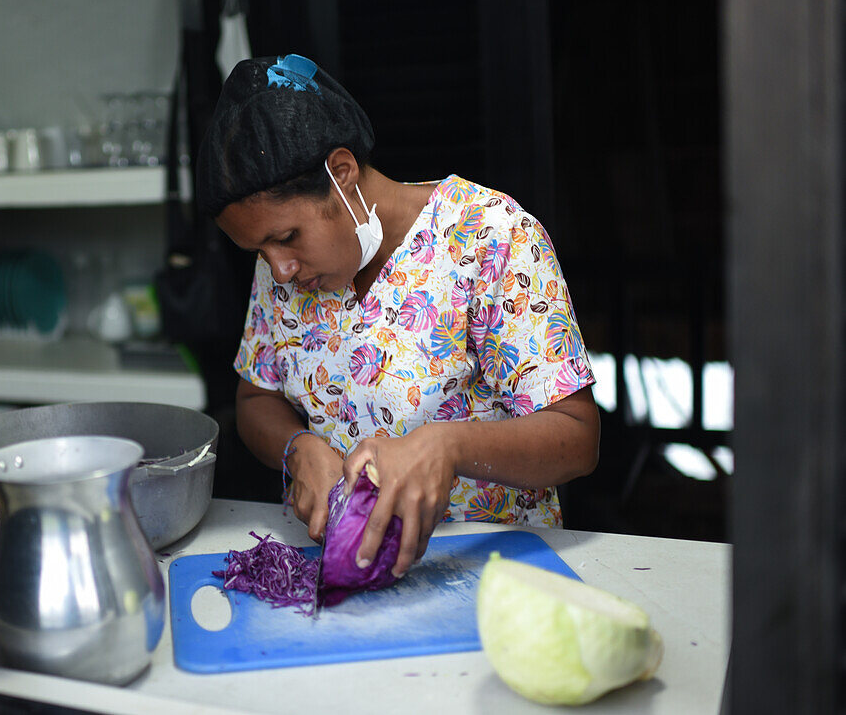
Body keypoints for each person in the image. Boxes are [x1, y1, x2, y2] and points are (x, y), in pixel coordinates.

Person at [196, 53, 599, 580]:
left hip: (492, 573)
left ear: (341, 173)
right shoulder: (281, 272)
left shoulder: (488, 238)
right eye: (260, 250)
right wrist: (298, 449)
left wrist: (448, 446)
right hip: (343, 571)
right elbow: (255, 399)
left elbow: (576, 438)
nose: (281, 268)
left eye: (286, 237)